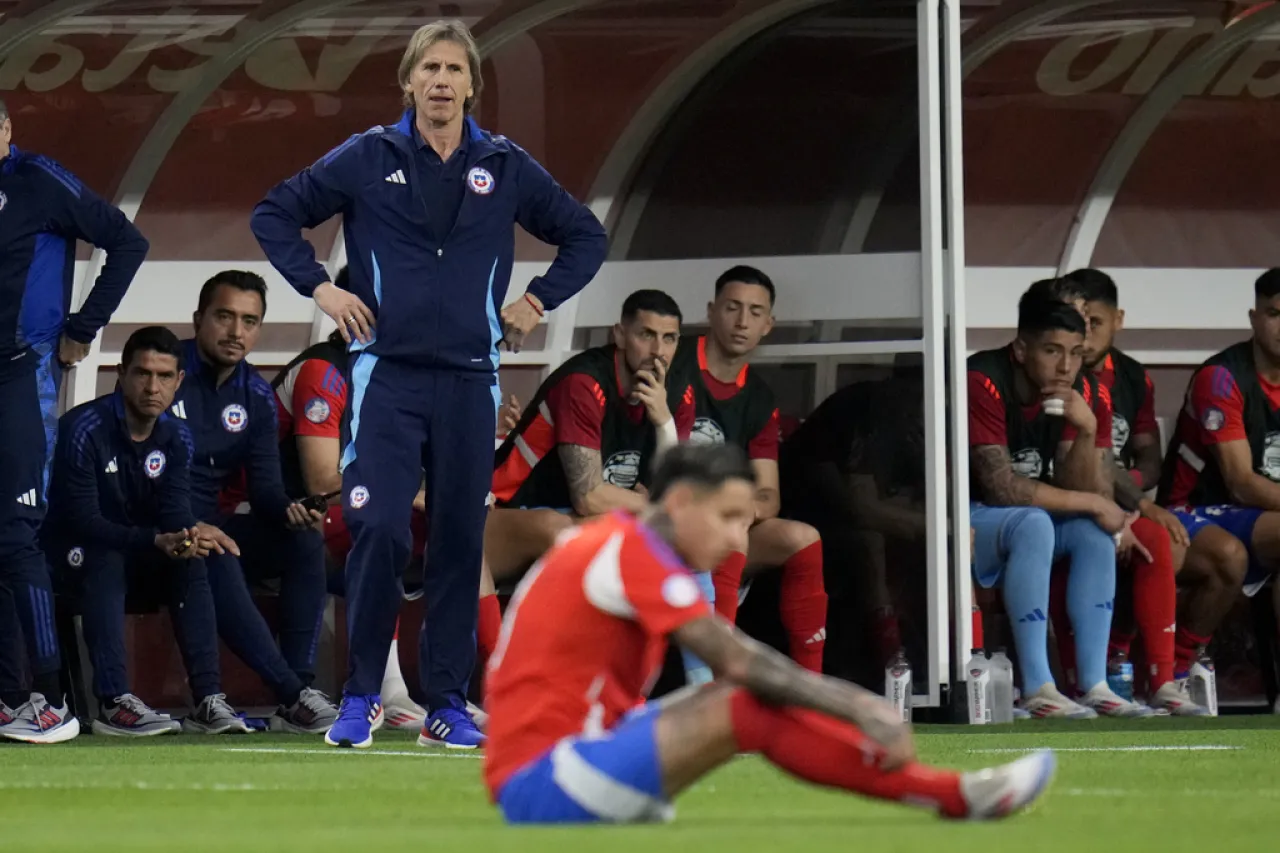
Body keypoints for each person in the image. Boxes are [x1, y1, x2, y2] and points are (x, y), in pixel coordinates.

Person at [251, 19, 607, 750]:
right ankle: (361, 697)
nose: (442, 81)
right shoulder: (368, 155)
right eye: (429, 69)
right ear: (408, 82)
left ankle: (445, 700)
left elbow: (586, 235)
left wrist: (535, 301)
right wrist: (321, 288)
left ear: (473, 85)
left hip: (472, 379)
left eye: (454, 69)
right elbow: (274, 213)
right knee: (378, 527)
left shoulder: (504, 166)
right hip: (388, 376)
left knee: (455, 537)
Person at [483, 442, 1055, 825]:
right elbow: (734, 658)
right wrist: (860, 705)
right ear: (680, 502)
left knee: (734, 699)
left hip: (557, 762)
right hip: (549, 781)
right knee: (739, 699)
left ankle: (954, 794)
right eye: (729, 517)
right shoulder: (630, 551)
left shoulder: (618, 541)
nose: (739, 540)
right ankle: (950, 795)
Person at [0, 98, 150, 742]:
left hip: (20, 374)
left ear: (5, 130)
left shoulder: (38, 179)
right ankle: (11, 698)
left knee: (17, 536)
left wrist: (82, 329)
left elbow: (127, 240)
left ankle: (51, 698)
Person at [36, 327, 233, 737]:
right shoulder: (84, 427)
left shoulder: (177, 434)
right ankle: (114, 701)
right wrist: (154, 540)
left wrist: (187, 533)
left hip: (134, 549)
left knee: (192, 558)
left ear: (178, 382)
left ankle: (209, 701)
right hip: (69, 556)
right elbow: (82, 519)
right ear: (121, 374)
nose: (152, 387)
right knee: (105, 558)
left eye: (164, 377)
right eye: (142, 374)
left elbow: (175, 508)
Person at [968, 287, 1149, 718]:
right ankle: (1038, 686)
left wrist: (1085, 431)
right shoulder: (984, 378)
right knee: (1037, 522)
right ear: (1020, 348)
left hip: (1030, 517)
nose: (1065, 366)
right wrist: (1094, 502)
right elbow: (999, 488)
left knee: (1091, 532)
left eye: (1075, 352)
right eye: (1051, 351)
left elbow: (1085, 486)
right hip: (963, 516)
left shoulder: (1081, 387)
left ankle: (1094, 685)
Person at [171, 270, 336, 734]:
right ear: (199, 318)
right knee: (216, 552)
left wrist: (289, 508)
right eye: (224, 317)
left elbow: (263, 489)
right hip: (156, 529)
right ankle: (282, 693)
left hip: (216, 525)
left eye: (249, 320)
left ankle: (300, 690)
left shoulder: (257, 396)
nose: (236, 331)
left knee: (304, 540)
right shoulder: (163, 371)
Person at [669, 266, 827, 680]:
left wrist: (733, 511)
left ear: (768, 325)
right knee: (732, 533)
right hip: (665, 523)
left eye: (755, 312)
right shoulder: (675, 364)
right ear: (711, 311)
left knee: (802, 538)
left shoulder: (759, 396)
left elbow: (768, 497)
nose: (742, 322)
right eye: (733, 308)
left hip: (722, 531)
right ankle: (719, 683)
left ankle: (810, 689)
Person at [1064, 268, 1208, 715]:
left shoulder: (1131, 377)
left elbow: (1147, 458)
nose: (1084, 336)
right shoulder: (1058, 375)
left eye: (1095, 323)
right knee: (1107, 540)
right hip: (1071, 500)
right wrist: (1131, 505)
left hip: (1119, 502)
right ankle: (1079, 680)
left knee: (1156, 541)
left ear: (1117, 320)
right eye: (1076, 322)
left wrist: (1133, 498)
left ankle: (1163, 681)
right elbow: (1086, 464)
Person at [488, 289, 694, 581]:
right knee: (568, 529)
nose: (658, 350)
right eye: (646, 335)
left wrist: (664, 423)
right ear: (620, 335)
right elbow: (589, 497)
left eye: (669, 338)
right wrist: (658, 506)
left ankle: (702, 622)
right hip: (512, 506)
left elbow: (679, 492)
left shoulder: (678, 392)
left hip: (583, 516)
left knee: (688, 536)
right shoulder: (584, 381)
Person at [1158, 268, 1280, 673]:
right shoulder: (1223, 377)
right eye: (1275, 313)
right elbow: (1241, 484)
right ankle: (1177, 669)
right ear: (1253, 317)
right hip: (1194, 511)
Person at [778, 367, 925, 686]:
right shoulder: (870, 409)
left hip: (852, 506)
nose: (919, 401)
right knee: (871, 540)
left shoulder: (929, 418)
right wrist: (932, 527)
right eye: (914, 389)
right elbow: (861, 508)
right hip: (802, 507)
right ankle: (891, 659)